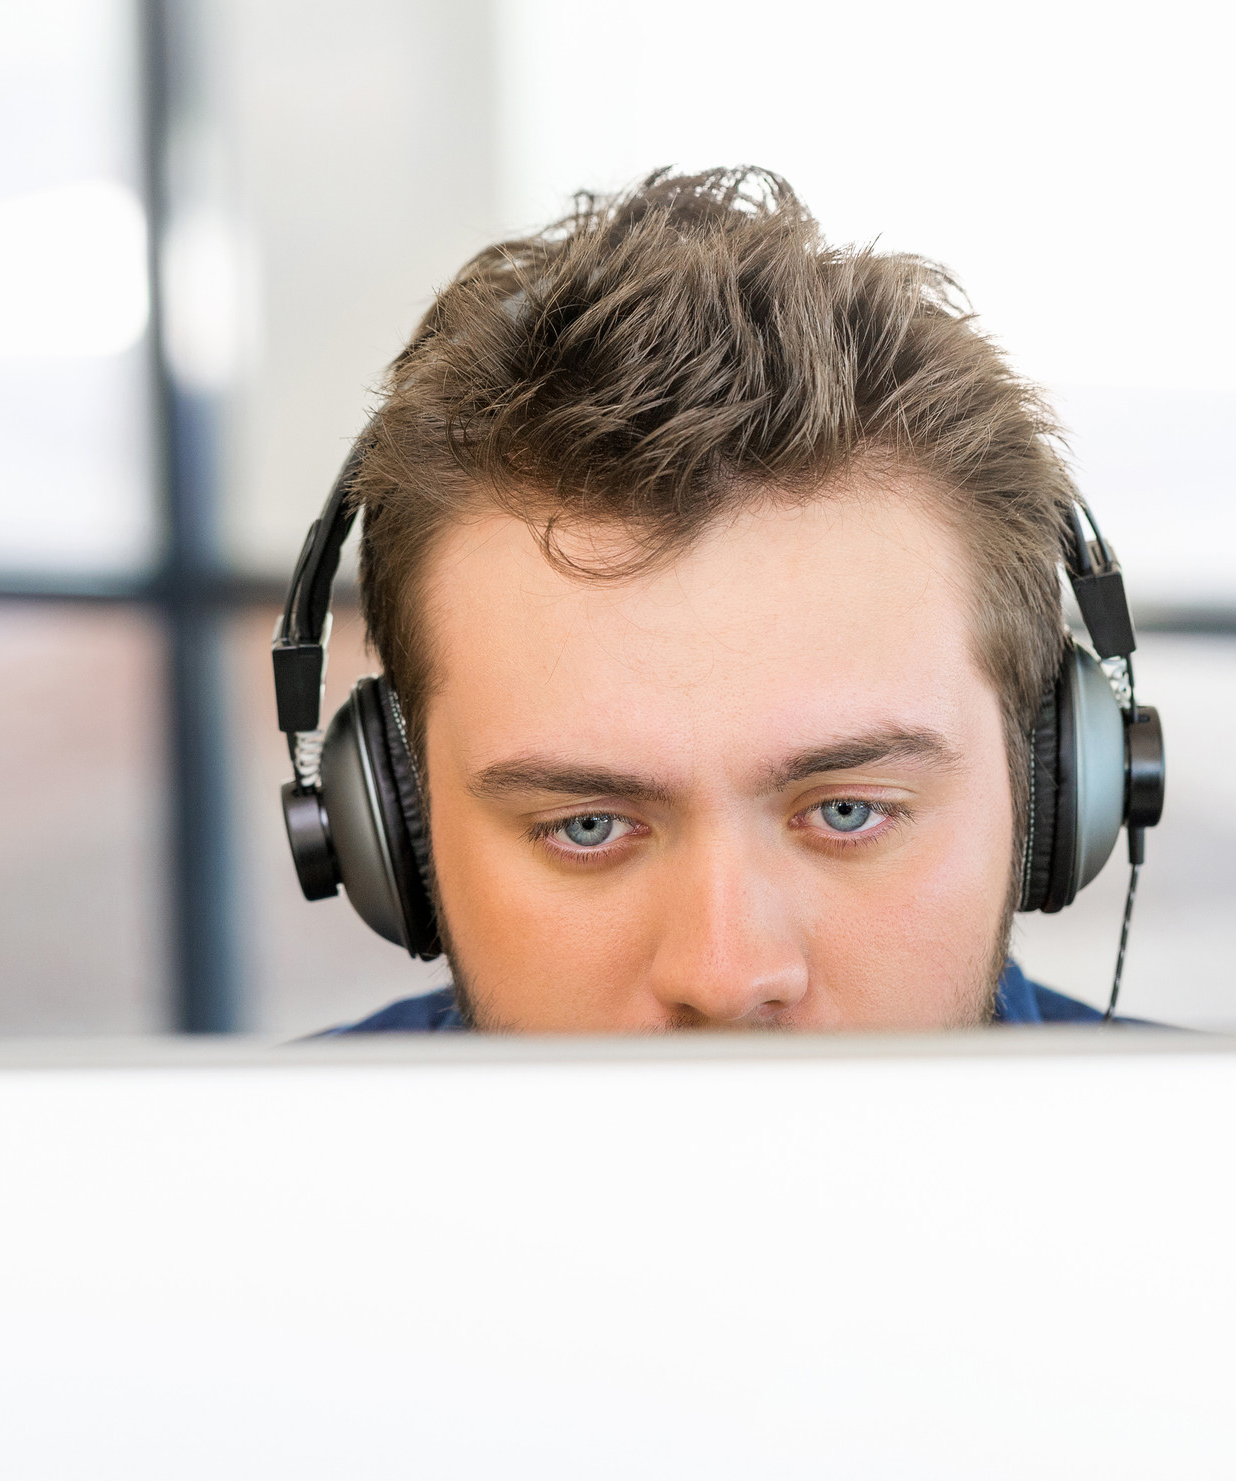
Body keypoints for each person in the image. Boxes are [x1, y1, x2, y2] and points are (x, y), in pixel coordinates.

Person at [290, 167, 1158, 1033]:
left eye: (848, 812)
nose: (726, 980)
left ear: (1044, 803)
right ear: (396, 838)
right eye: (586, 826)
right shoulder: (230, 1130)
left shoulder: (1229, 1128)